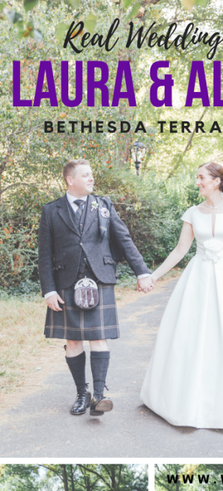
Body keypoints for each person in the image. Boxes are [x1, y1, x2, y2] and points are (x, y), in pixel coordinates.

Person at [140, 162, 223, 429]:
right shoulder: (192, 212)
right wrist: (154, 276)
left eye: (201, 177)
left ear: (215, 180)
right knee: (190, 333)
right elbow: (180, 250)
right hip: (197, 279)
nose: (197, 181)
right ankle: (181, 399)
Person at [38, 160, 153, 417]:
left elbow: (124, 239)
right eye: (86, 175)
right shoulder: (51, 211)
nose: (91, 179)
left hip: (99, 280)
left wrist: (142, 272)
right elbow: (44, 254)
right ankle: (82, 393)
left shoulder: (104, 205)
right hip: (65, 282)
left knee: (99, 338)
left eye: (91, 174)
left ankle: (100, 395)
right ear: (70, 180)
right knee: (73, 340)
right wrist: (48, 290)